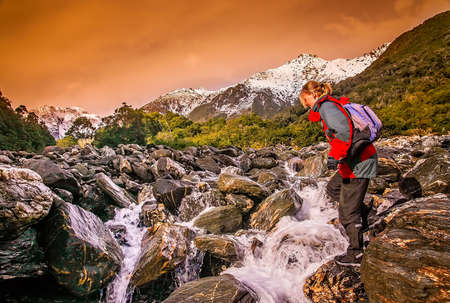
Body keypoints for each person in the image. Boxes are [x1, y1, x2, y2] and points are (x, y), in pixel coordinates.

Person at [299, 81, 377, 266]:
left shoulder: (327, 107)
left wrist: (335, 155)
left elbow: (344, 132)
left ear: (313, 95)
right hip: (354, 161)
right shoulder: (329, 105)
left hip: (359, 162)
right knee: (333, 189)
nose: (306, 104)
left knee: (347, 212)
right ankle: (369, 217)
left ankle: (356, 252)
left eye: (305, 100)